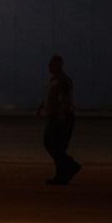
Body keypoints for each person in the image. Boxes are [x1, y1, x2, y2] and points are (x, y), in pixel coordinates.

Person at [39, 55, 80, 185]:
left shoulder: (61, 81)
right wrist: (43, 107)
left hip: (61, 117)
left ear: (58, 65)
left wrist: (62, 115)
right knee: (56, 146)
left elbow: (64, 100)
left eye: (52, 64)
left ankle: (69, 167)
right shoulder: (56, 80)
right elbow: (52, 97)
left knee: (52, 144)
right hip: (58, 116)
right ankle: (63, 174)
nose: (49, 66)